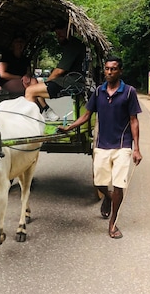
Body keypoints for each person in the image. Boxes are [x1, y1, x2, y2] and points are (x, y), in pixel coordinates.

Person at [58, 56, 142, 239]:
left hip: (122, 145)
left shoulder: (129, 92)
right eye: (107, 69)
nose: (109, 72)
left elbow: (134, 120)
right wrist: (69, 127)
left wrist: (136, 148)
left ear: (120, 71)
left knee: (119, 184)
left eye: (113, 69)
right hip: (102, 144)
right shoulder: (98, 91)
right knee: (99, 183)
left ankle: (113, 223)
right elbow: (86, 115)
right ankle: (109, 197)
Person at [24, 24, 87, 120]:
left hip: (70, 82)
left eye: (60, 32)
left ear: (68, 29)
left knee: (30, 91)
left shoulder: (73, 45)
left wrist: (47, 82)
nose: (58, 36)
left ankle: (30, 122)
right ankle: (47, 111)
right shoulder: (75, 44)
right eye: (57, 34)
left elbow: (59, 71)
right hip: (71, 80)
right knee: (36, 86)